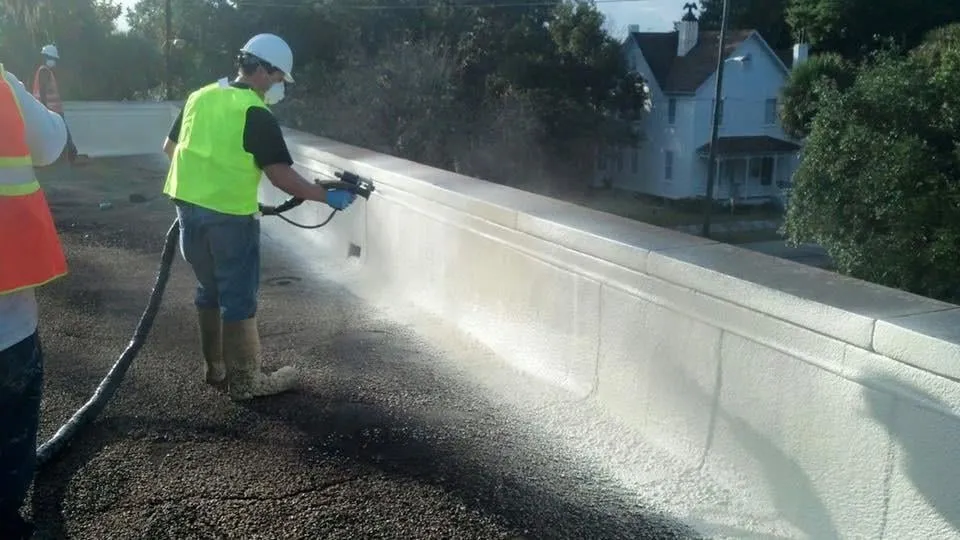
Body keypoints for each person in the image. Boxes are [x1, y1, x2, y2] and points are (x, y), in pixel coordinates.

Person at [162, 33, 357, 401]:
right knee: (238, 297)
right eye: (280, 77)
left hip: (188, 212)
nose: (280, 86)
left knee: (209, 288)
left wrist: (201, 190)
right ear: (264, 72)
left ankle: (215, 367)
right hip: (231, 221)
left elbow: (170, 149)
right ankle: (247, 382)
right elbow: (281, 175)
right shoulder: (255, 112)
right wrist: (326, 195)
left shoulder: (199, 97)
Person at [0, 63, 69, 539]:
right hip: (7, 325)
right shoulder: (2, 84)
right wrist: (52, 107)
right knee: (11, 428)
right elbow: (50, 144)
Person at [31, 44, 77, 165]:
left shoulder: (44, 71)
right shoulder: (44, 71)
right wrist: (45, 109)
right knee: (64, 133)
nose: (54, 62)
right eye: (53, 59)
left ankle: (67, 155)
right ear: (48, 57)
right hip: (52, 110)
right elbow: (42, 91)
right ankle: (72, 154)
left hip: (47, 109)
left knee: (58, 134)